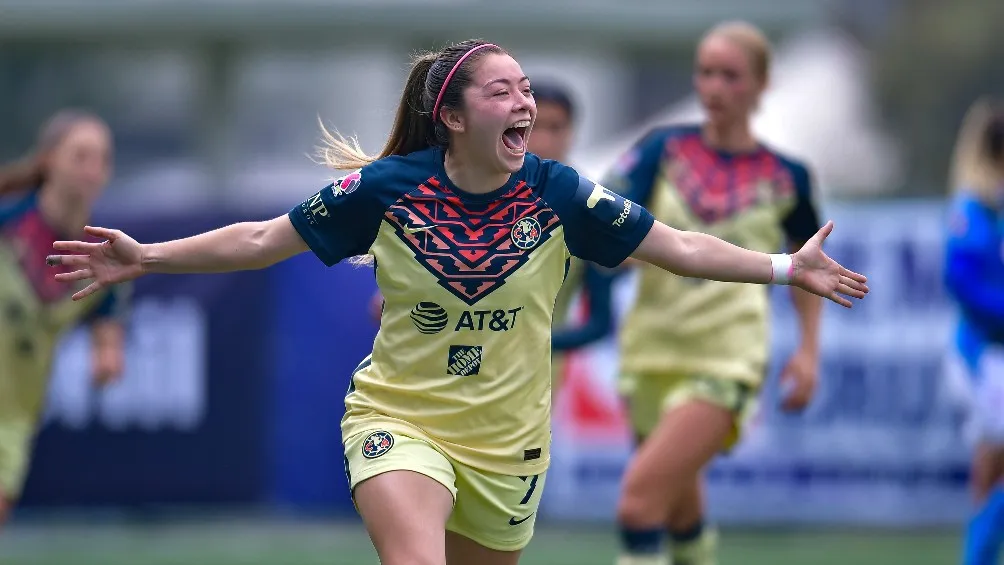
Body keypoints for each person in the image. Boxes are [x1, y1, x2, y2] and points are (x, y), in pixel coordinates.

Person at [46, 39, 867, 565]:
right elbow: (263, 239)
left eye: (526, 91)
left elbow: (680, 246)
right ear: (451, 115)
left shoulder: (560, 192)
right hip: (398, 419)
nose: (525, 105)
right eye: (503, 92)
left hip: (507, 448)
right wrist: (147, 256)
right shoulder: (384, 189)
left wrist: (784, 266)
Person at [590, 21, 826, 565]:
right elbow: (605, 230)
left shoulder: (787, 176)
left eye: (730, 75)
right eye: (705, 73)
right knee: (679, 513)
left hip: (726, 358)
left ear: (762, 84)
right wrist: (618, 253)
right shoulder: (660, 149)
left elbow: (806, 269)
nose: (714, 87)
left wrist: (809, 351)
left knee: (638, 505)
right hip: (650, 351)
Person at [0, 110, 128, 528]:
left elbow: (108, 341)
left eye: (102, 159)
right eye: (81, 156)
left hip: (13, 419)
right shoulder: (6, 226)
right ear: (49, 160)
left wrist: (107, 358)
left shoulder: (103, 260)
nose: (93, 170)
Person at [943, 97, 1004, 565]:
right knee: (992, 465)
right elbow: (961, 282)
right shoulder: (974, 209)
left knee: (994, 467)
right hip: (985, 356)